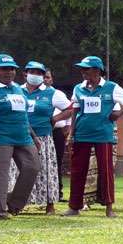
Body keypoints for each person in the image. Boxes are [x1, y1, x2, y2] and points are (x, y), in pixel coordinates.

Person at [62, 56, 123, 218]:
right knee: (77, 170)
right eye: (81, 69)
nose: (82, 72)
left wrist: (119, 113)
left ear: (97, 70)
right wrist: (71, 134)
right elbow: (75, 110)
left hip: (103, 135)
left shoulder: (111, 87)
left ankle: (109, 208)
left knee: (106, 171)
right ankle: (74, 207)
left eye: (86, 69)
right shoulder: (78, 88)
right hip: (81, 134)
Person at [8, 61, 72, 215]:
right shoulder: (16, 90)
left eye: (39, 73)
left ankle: (50, 205)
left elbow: (71, 108)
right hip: (19, 136)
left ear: (44, 76)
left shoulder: (52, 93)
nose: (35, 75)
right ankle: (16, 204)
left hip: (43, 138)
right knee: (18, 170)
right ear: (25, 74)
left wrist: (56, 118)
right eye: (32, 72)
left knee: (45, 170)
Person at [0, 54, 40, 220]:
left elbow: (22, 115)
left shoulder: (17, 88)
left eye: (12, 69)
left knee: (33, 166)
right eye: (4, 69)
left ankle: (13, 204)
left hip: (23, 137)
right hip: (0, 138)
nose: (9, 72)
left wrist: (34, 137)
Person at [46, 69, 70, 201]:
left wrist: (67, 125)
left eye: (48, 77)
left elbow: (70, 109)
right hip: (38, 132)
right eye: (43, 77)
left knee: (57, 162)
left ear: (52, 79)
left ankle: (57, 193)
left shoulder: (57, 94)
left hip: (57, 132)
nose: (45, 79)